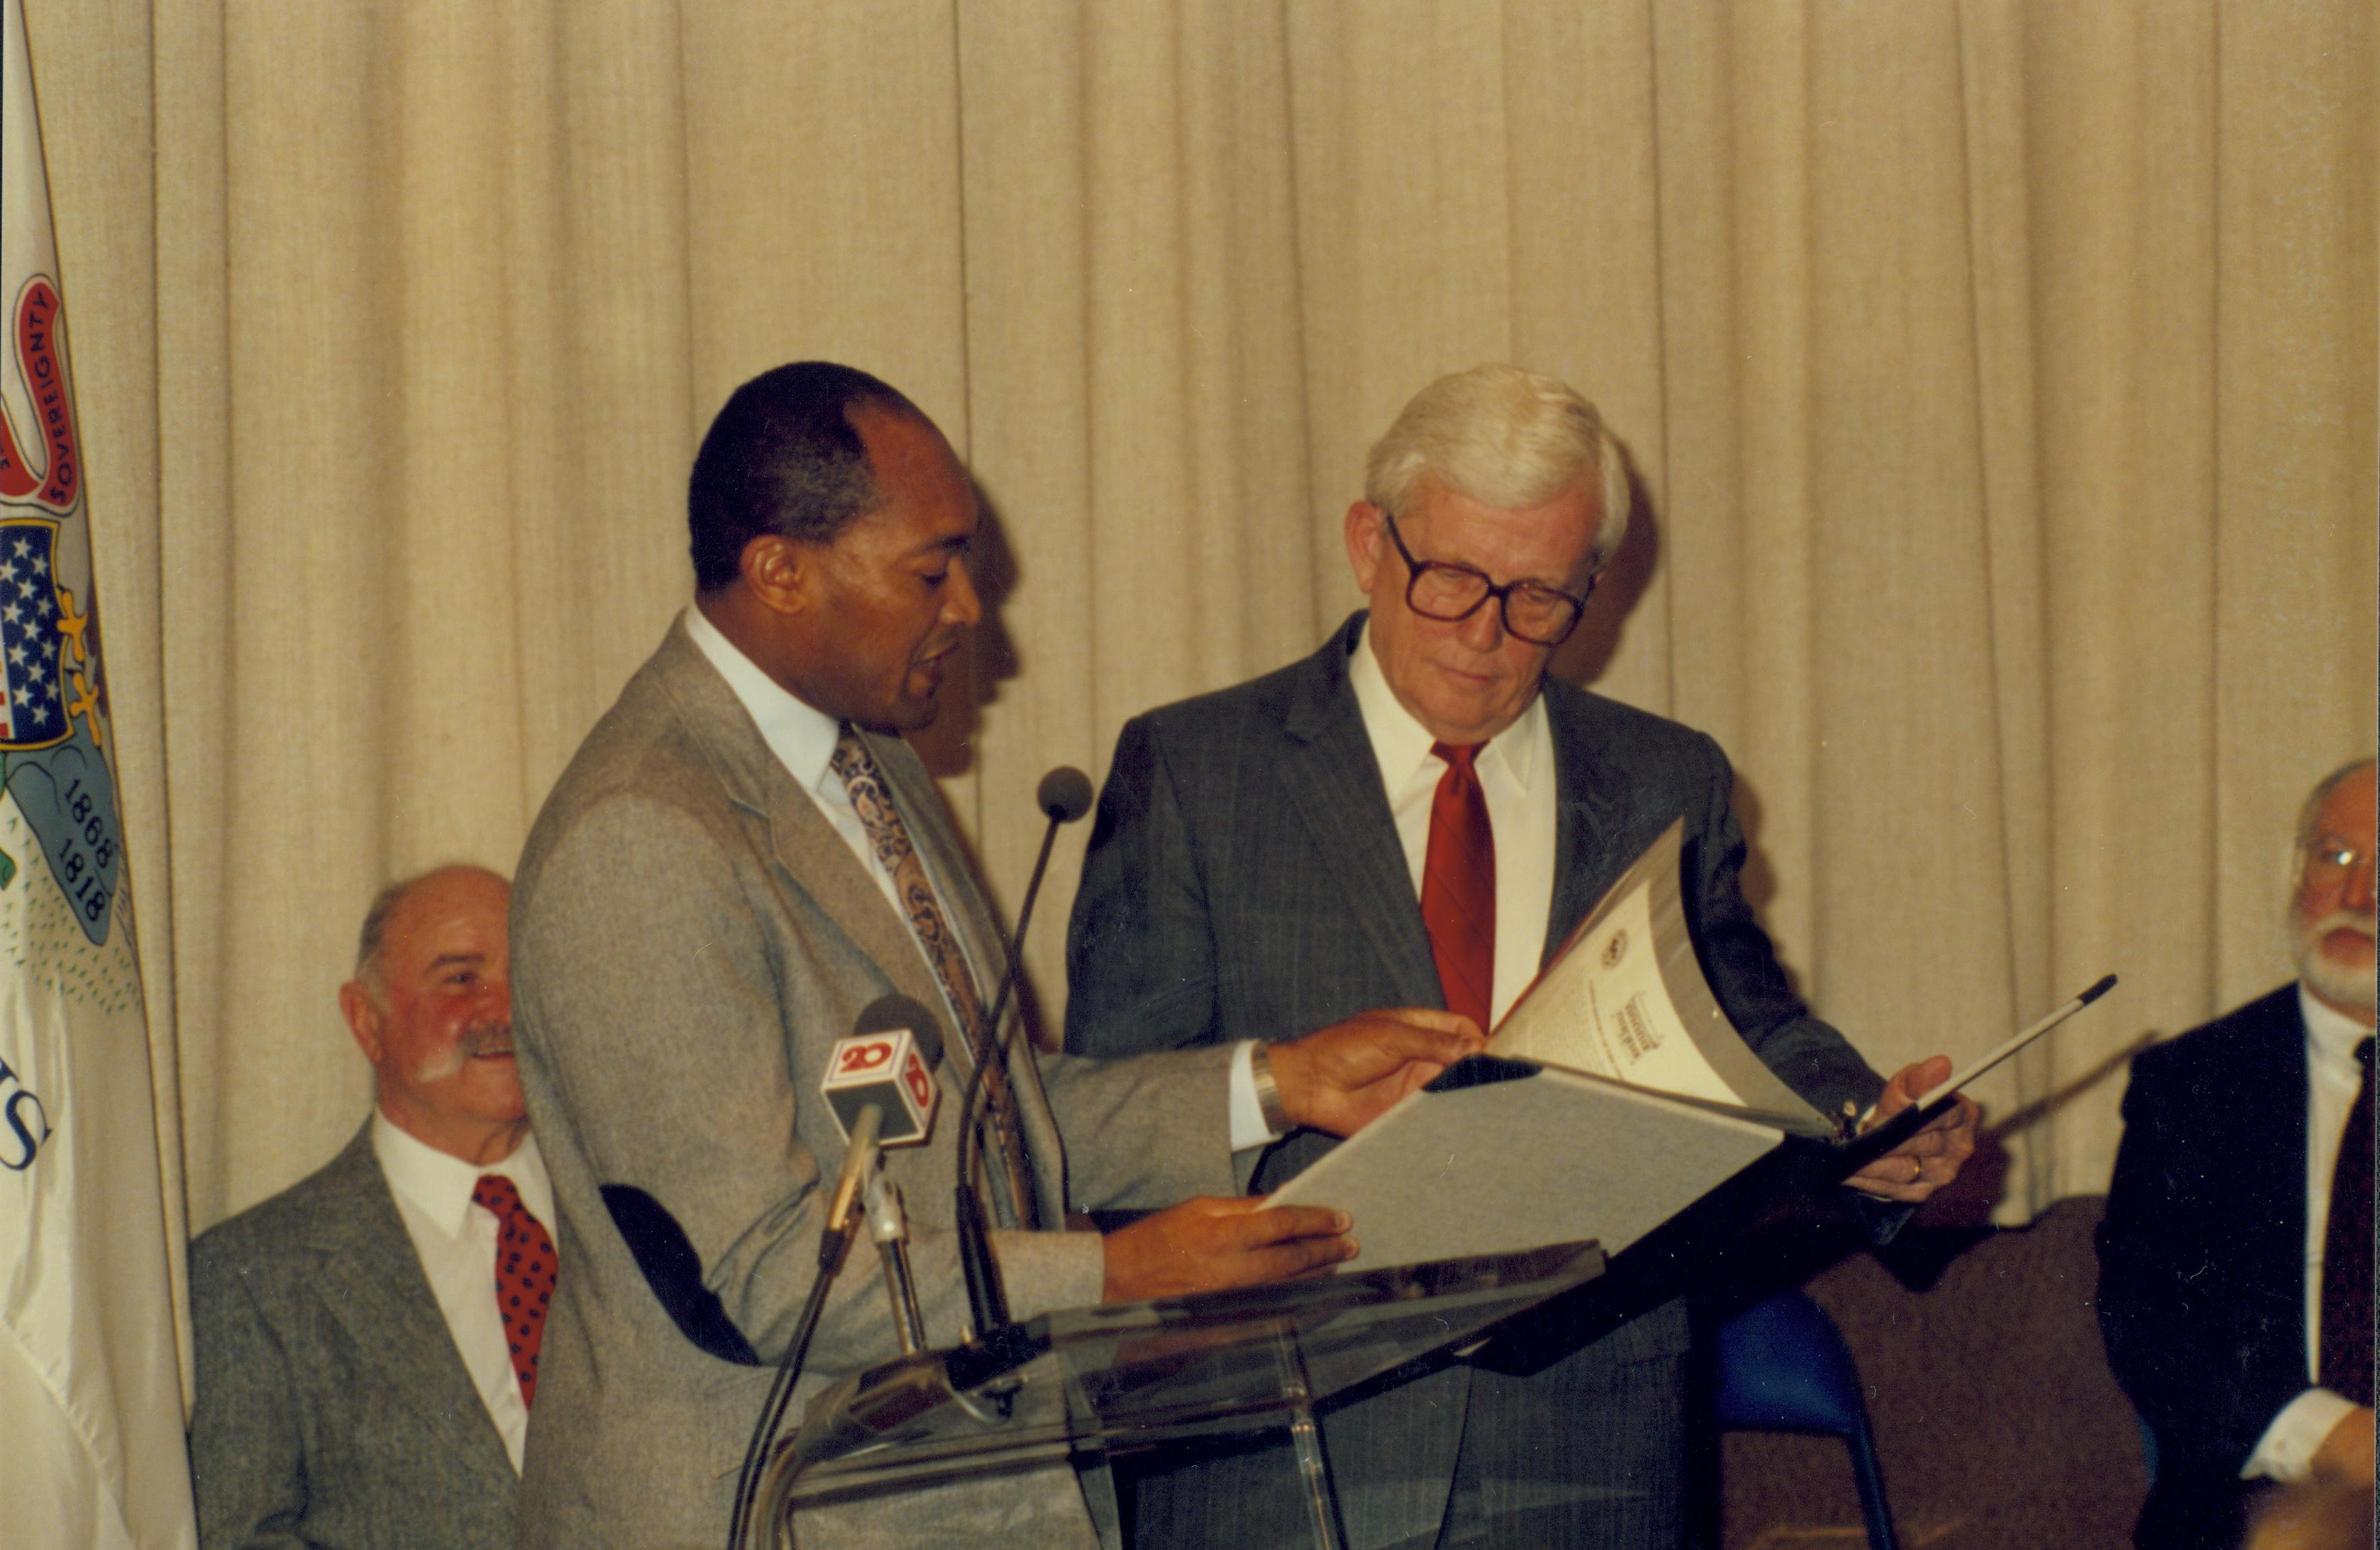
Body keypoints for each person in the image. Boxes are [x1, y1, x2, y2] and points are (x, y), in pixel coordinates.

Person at [507, 361, 1479, 1550]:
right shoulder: (644, 834)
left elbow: (989, 1115)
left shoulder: (870, 760)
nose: (970, 608)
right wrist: (1113, 1272)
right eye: (932, 569)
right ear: (780, 572)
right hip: (770, 1513)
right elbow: (764, 1275)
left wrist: (1274, 1083)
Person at [1065, 363, 1979, 1549]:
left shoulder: (1664, 779)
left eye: (1540, 597)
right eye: (1452, 581)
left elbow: (1748, 1016)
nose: (1488, 639)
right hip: (1287, 1449)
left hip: (1587, 1442)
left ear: (1591, 586)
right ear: (1367, 545)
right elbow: (1112, 1120)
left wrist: (1865, 1125)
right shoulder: (1196, 770)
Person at [189, 865, 538, 1550]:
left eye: (521, 973)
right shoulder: (252, 1276)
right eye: (461, 977)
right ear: (366, 1021)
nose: (503, 1010)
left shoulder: (630, 1222)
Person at [2099, 756, 2377, 1550]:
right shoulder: (2191, 1085)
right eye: (2336, 857)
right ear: (2298, 872)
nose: (2358, 898)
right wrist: (2332, 1439)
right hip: (2260, 1508)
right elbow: (2146, 1320)